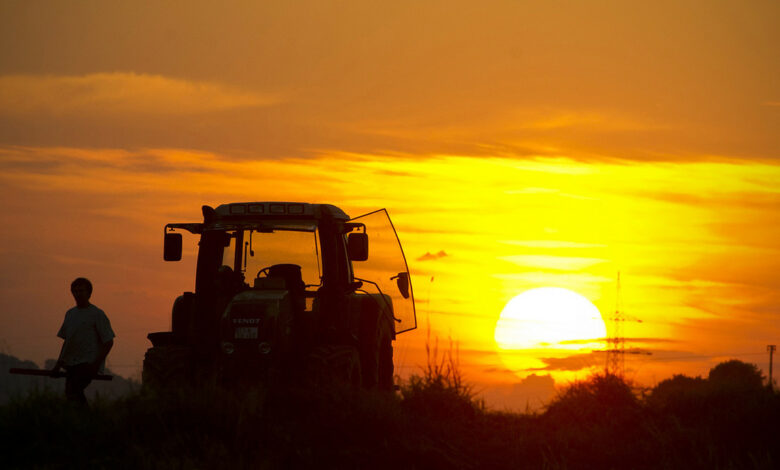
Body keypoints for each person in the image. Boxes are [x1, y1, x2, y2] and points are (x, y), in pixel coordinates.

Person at [52, 277, 115, 405]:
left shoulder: (97, 314)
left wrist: (95, 365)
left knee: (73, 391)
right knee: (71, 395)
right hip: (71, 363)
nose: (78, 294)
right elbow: (67, 342)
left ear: (89, 293)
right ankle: (85, 420)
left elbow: (108, 342)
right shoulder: (70, 314)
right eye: (75, 291)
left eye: (81, 291)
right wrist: (58, 365)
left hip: (87, 363)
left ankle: (85, 420)